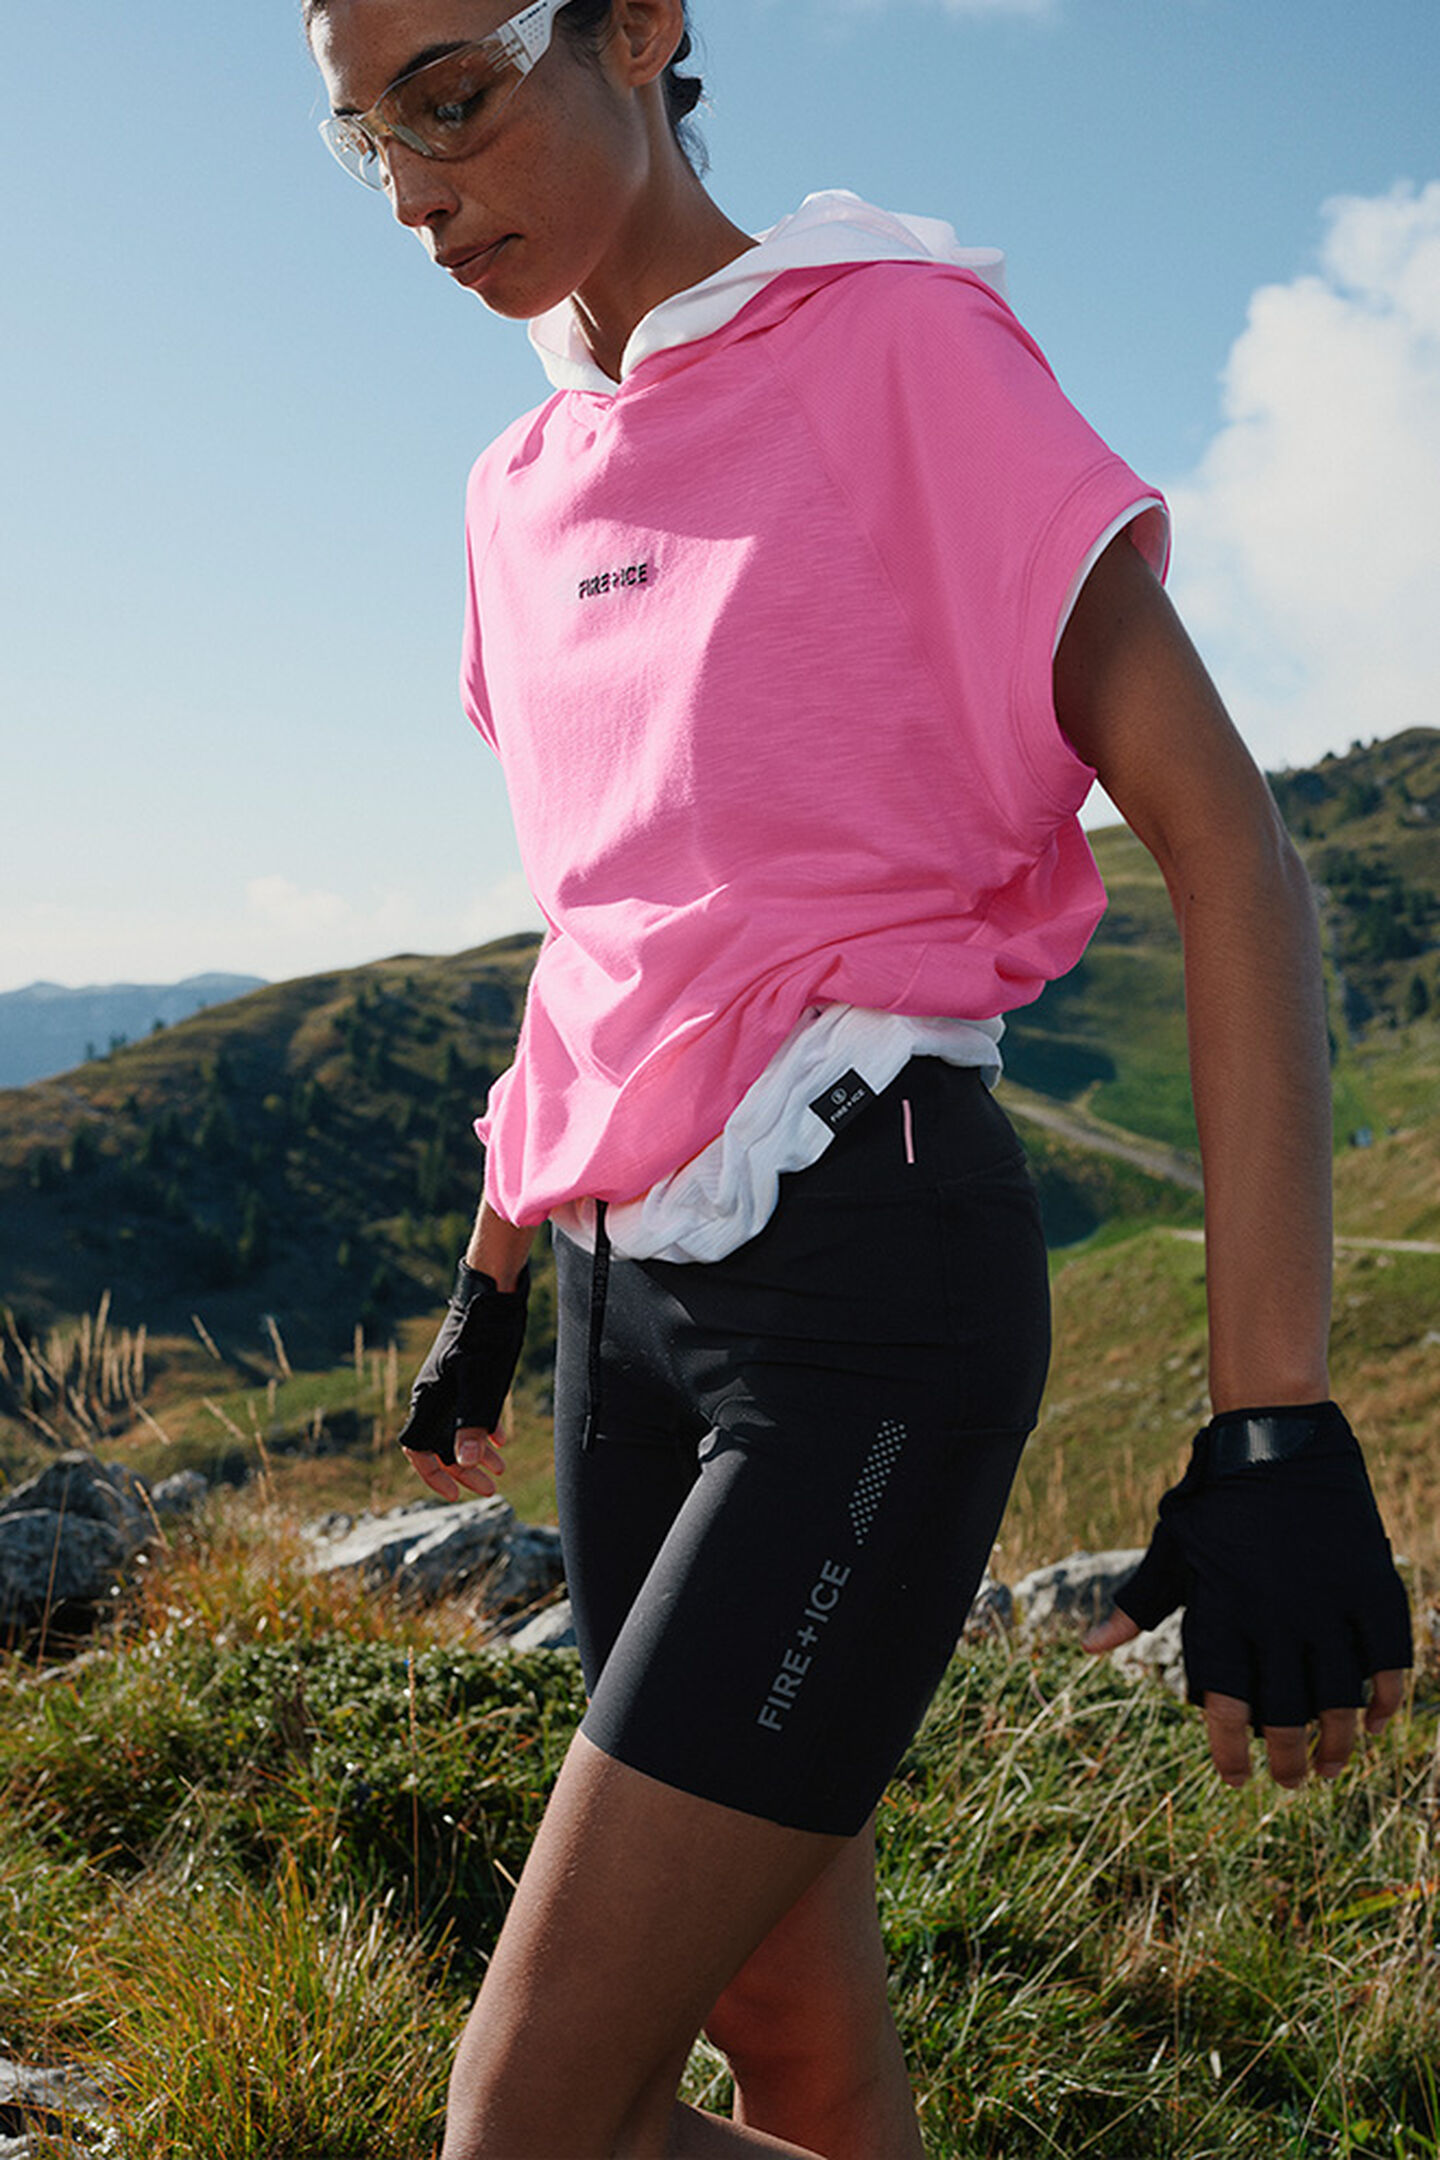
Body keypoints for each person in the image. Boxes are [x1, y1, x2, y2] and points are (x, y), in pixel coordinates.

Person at [305, 5, 1413, 2154]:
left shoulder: (897, 347)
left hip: (862, 1293)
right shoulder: (517, 491)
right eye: (367, 142)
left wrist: (1272, 1415)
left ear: (640, 25)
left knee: (533, 2117)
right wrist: (496, 1268)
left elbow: (1232, 846)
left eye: (455, 97)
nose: (422, 193)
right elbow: (618, 910)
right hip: (624, 1322)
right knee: (792, 2051)